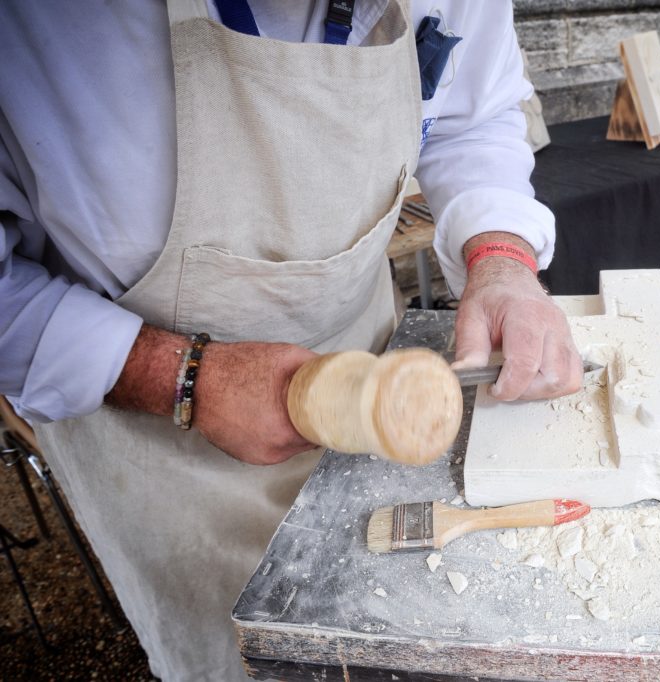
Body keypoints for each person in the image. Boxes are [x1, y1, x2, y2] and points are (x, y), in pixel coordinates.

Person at [0, 2, 581, 680]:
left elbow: (473, 120)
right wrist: (182, 377)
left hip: (370, 370)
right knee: (250, 659)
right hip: (161, 437)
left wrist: (501, 261)